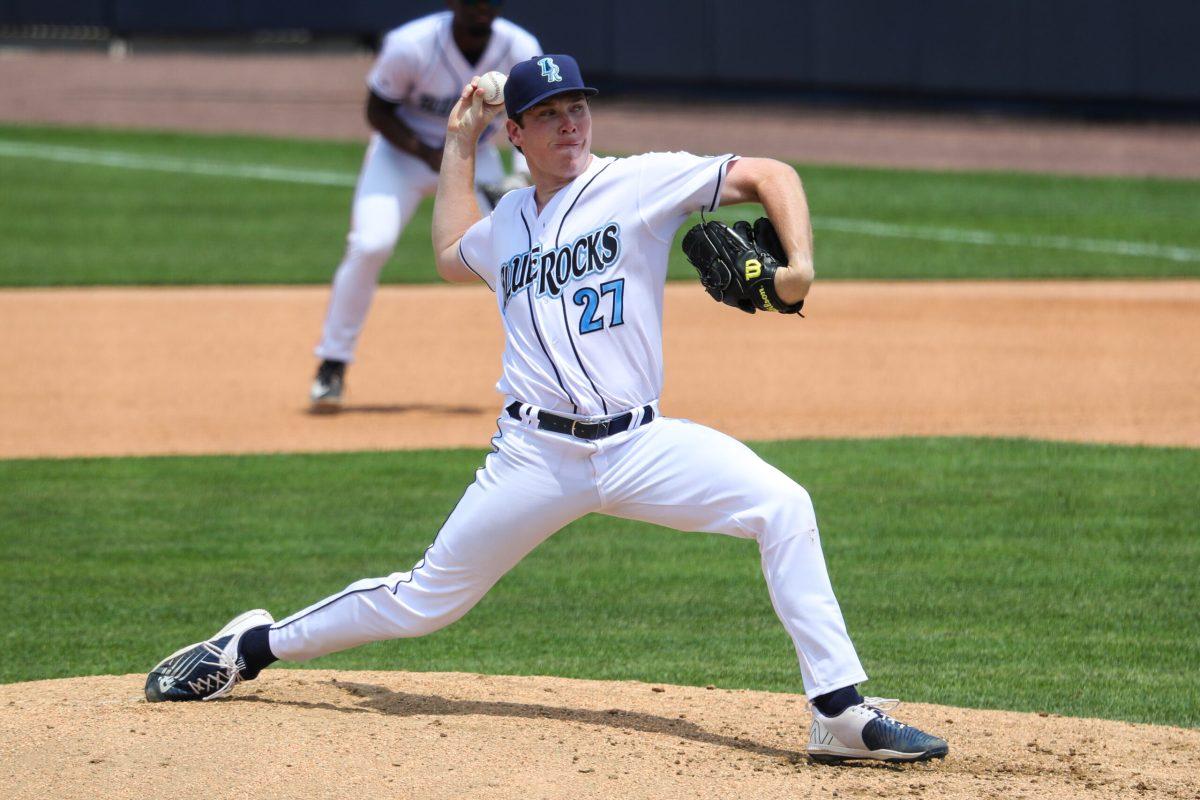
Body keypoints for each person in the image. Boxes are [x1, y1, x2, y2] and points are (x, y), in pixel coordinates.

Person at [147, 54, 949, 766]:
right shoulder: (506, 225)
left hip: (641, 445)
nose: (570, 124)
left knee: (784, 505)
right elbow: (448, 253)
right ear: (519, 136)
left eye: (578, 109)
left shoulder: (639, 180)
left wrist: (798, 268)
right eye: (549, 116)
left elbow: (769, 173)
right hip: (535, 459)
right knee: (424, 603)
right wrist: (461, 141)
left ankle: (838, 713)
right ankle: (251, 646)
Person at [309, 0, 541, 411]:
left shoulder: (520, 46)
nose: (482, 8)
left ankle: (543, 374)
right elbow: (377, 111)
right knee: (370, 243)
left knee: (524, 254)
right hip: (401, 156)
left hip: (475, 154)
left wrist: (521, 171)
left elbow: (533, 116)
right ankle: (333, 363)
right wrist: (430, 154)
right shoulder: (410, 45)